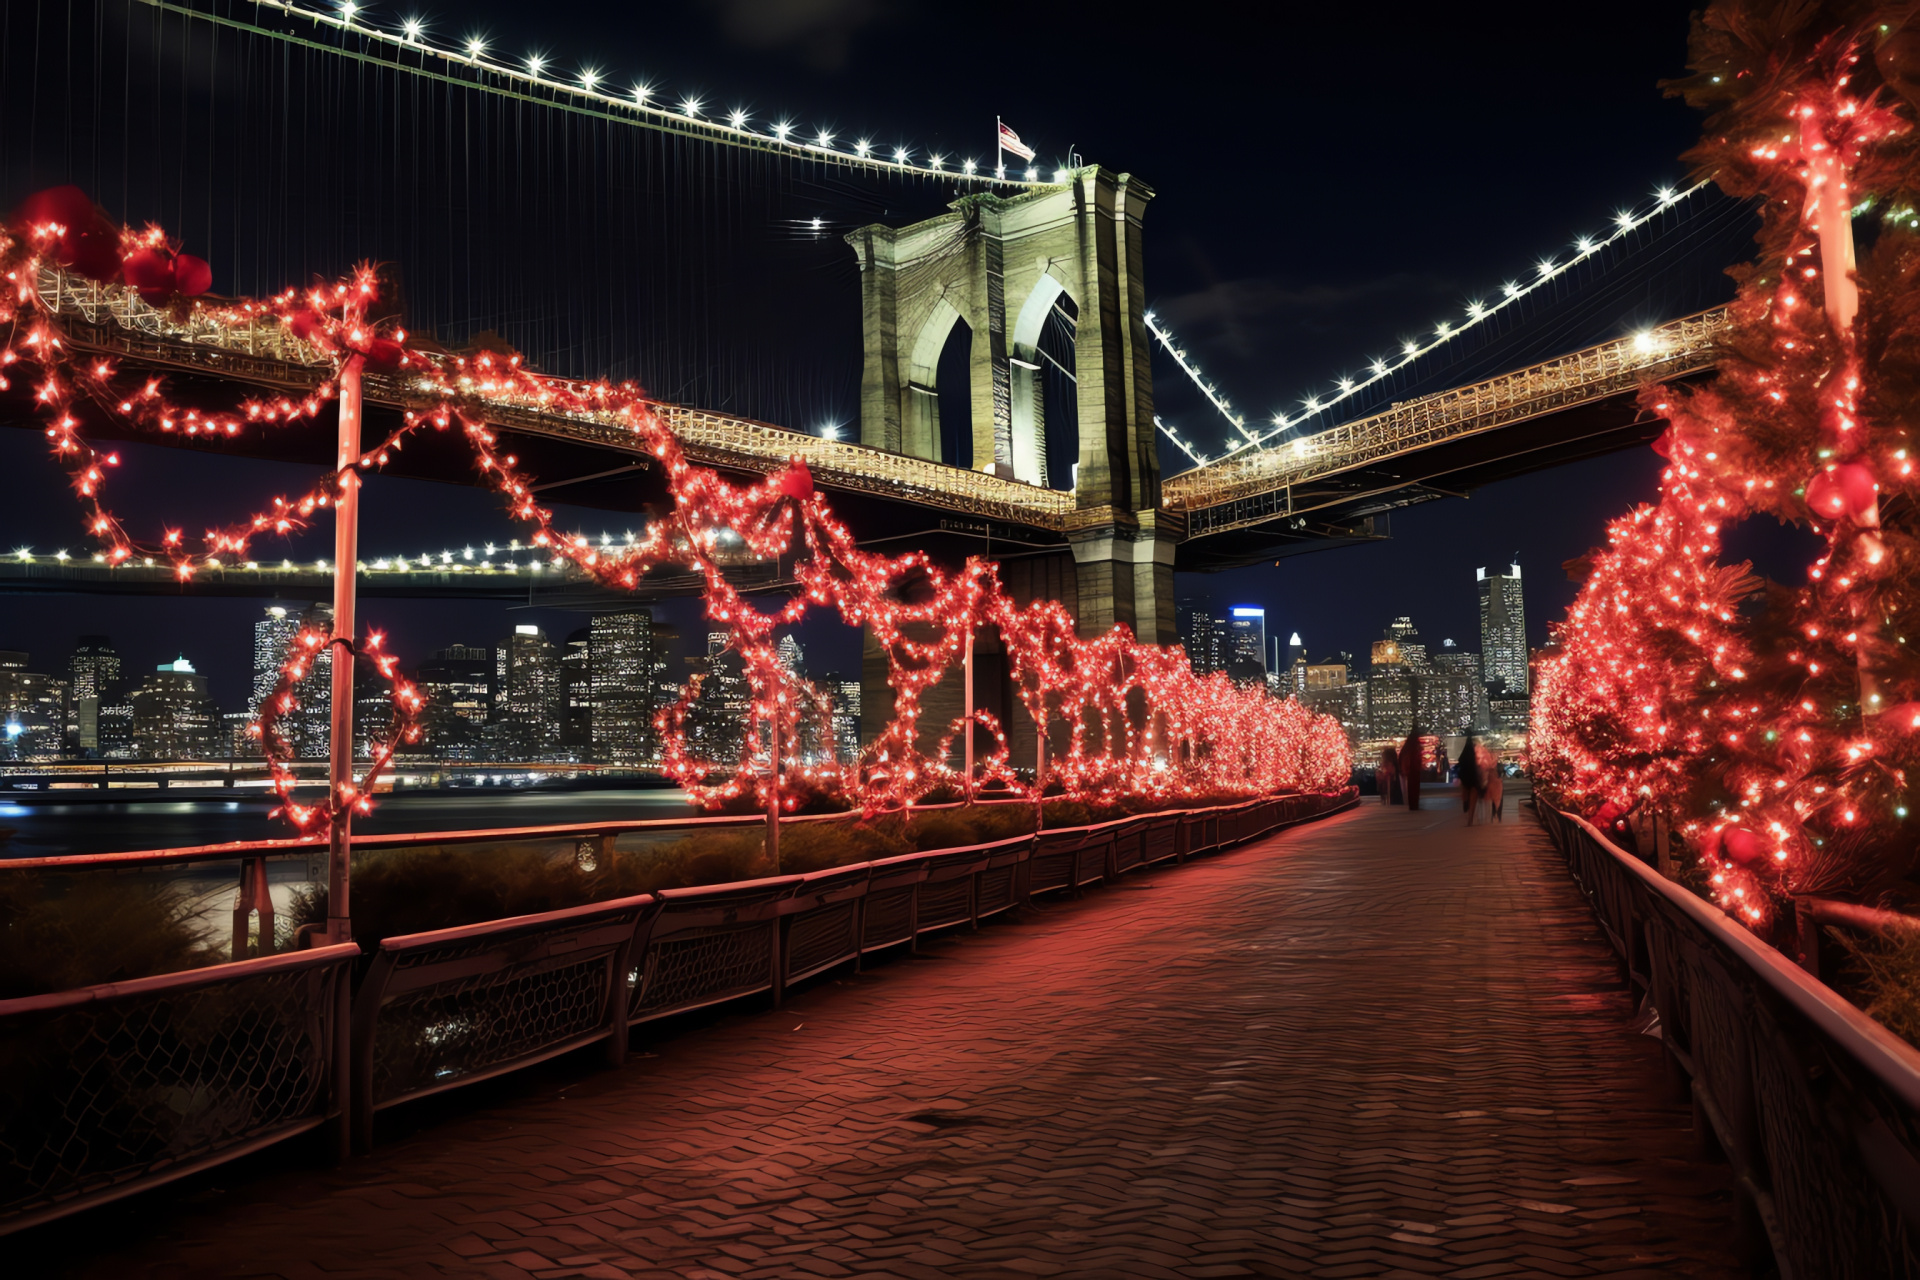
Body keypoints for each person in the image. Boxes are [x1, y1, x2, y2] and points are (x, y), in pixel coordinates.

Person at [1456, 734, 1484, 824]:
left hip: (1465, 776)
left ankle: (1465, 802)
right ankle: (1470, 818)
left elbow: (1460, 762)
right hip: (1473, 776)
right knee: (1473, 796)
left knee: (1465, 791)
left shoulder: (1463, 754)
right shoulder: (1475, 751)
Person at [1399, 726, 1423, 810]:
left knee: (1411, 788)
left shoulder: (1407, 746)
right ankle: (1414, 804)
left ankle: (1412, 804)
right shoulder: (1414, 746)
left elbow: (1403, 757)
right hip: (1414, 769)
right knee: (1414, 788)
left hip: (1410, 770)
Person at [1481, 745, 1505, 822]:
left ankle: (1493, 815)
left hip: (1491, 782)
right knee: (1498, 799)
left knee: (1492, 800)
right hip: (1495, 782)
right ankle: (1497, 815)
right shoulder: (1495, 763)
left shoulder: (1485, 762)